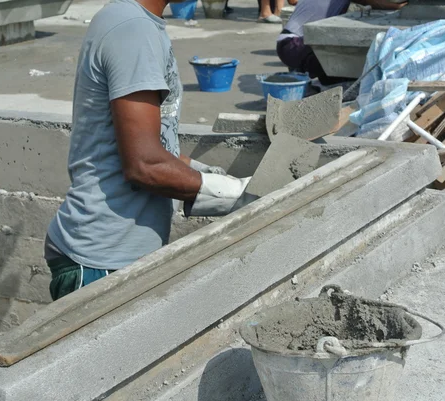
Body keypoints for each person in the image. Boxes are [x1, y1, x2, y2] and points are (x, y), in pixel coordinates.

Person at [45, 0, 251, 301]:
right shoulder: (133, 29)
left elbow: (151, 145)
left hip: (114, 253)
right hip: (101, 261)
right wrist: (239, 195)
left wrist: (204, 172)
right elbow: (144, 164)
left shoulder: (138, 23)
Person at [276, 0, 407, 84]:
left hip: (290, 43)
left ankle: (305, 78)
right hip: (292, 45)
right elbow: (376, 3)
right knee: (351, 68)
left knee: (338, 77)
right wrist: (399, 6)